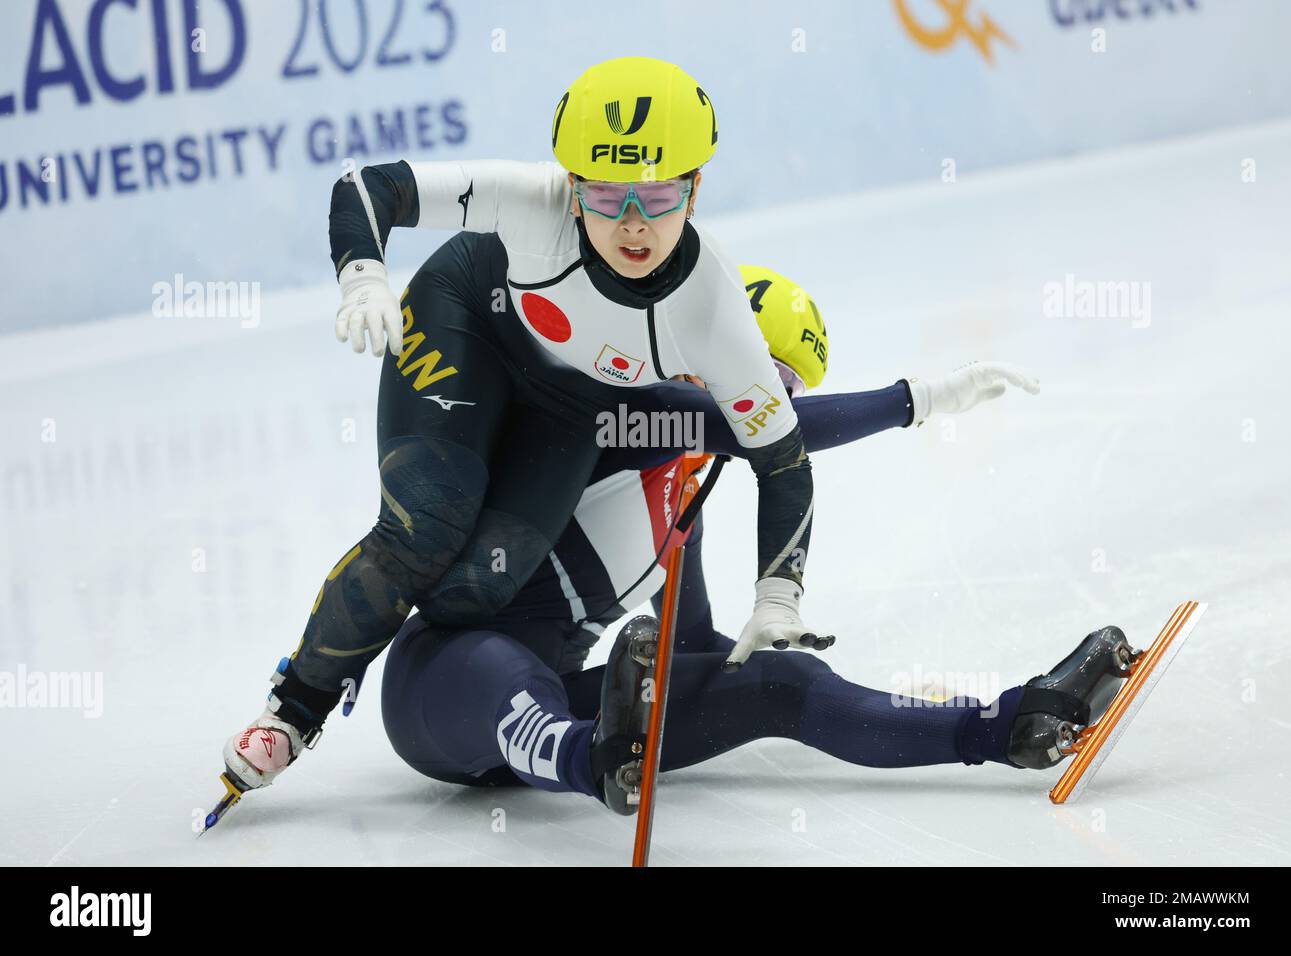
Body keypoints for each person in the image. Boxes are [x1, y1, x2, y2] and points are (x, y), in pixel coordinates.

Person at [223, 57, 834, 787]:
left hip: (569, 399)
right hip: (468, 322)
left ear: (696, 188)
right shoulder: (529, 201)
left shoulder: (714, 309)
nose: (632, 225)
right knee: (428, 521)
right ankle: (293, 710)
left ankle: (451, 676)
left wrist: (778, 592)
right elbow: (368, 186)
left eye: (658, 195)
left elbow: (782, 458)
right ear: (570, 186)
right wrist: (363, 272)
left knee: (477, 586)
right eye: (606, 196)